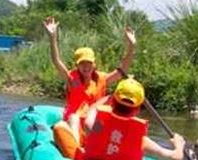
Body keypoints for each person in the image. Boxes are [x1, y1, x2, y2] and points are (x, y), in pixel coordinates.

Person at [53, 77, 186, 160]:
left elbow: (92, 110)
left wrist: (108, 98)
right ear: (138, 109)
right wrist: (179, 144)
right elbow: (176, 158)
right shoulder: (141, 140)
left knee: (61, 126)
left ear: (113, 102)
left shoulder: (95, 125)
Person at [43, 16, 136, 144]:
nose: (86, 67)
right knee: (75, 117)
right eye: (82, 63)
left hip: (92, 125)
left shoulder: (102, 79)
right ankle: (75, 150)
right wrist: (52, 38)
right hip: (73, 124)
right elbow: (56, 61)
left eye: (89, 63)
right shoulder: (71, 79)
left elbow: (123, 70)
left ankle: (105, 149)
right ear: (77, 65)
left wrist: (131, 46)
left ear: (94, 64)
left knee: (107, 124)